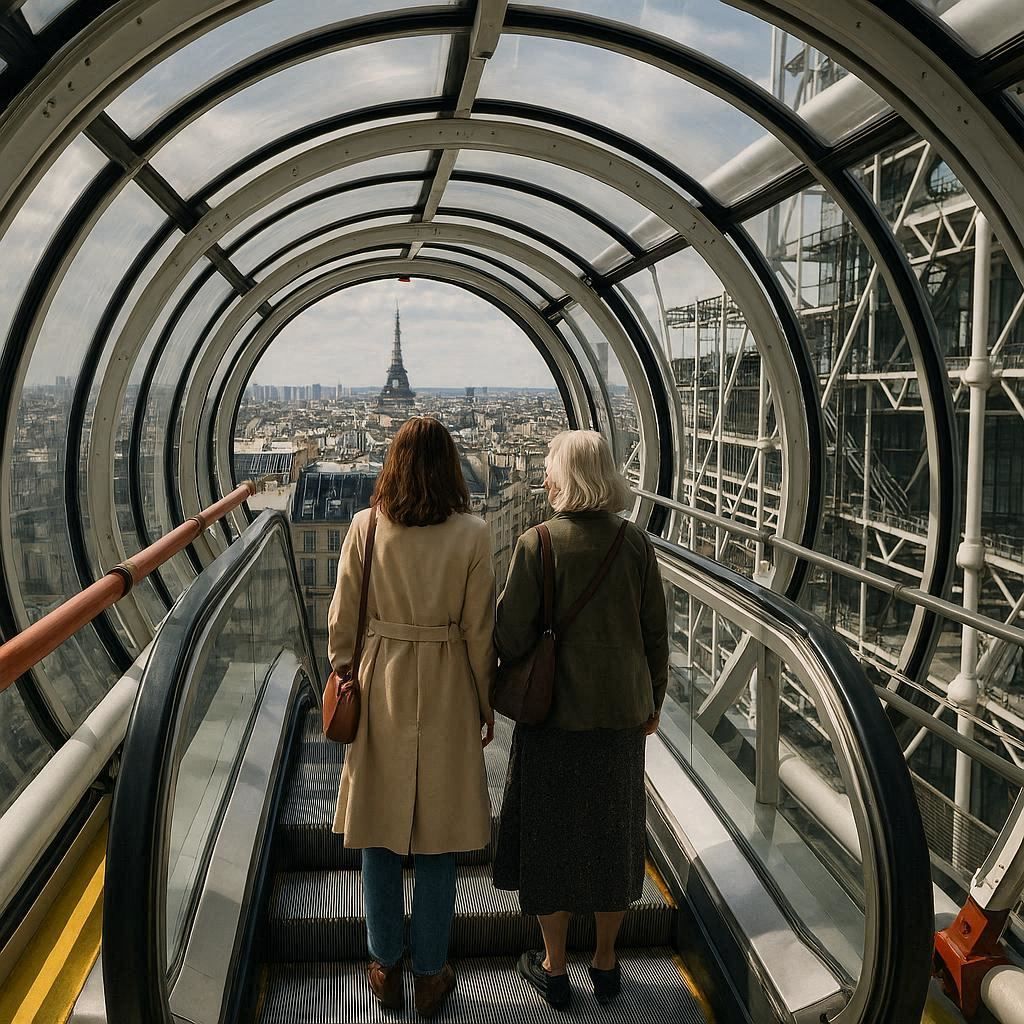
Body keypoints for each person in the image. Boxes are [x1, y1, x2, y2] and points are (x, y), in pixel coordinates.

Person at [492, 429, 668, 1010]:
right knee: (613, 837)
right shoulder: (636, 545)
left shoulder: (537, 544)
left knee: (551, 841)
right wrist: (653, 701)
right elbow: (655, 637)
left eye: (548, 469)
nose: (541, 478)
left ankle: (554, 965)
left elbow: (510, 635)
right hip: (620, 715)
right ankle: (608, 961)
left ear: (564, 478)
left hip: (553, 720)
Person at [328, 416, 496, 1019]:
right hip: (449, 682)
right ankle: (430, 973)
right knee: (440, 840)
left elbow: (342, 620)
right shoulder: (474, 535)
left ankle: (383, 962)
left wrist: (345, 670)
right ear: (452, 468)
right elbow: (481, 633)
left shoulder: (364, 527)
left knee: (376, 830)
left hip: (381, 684)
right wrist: (484, 702)